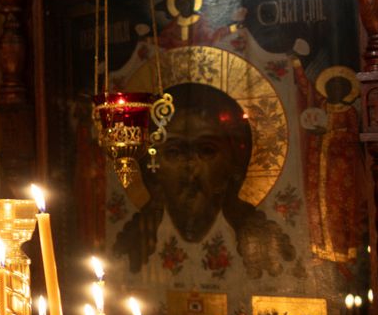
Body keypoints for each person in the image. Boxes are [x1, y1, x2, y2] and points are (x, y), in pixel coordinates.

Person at [113, 82, 295, 279]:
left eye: (206, 150)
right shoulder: (138, 238)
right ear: (153, 167)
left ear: (233, 163)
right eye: (174, 152)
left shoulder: (257, 237)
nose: (191, 167)